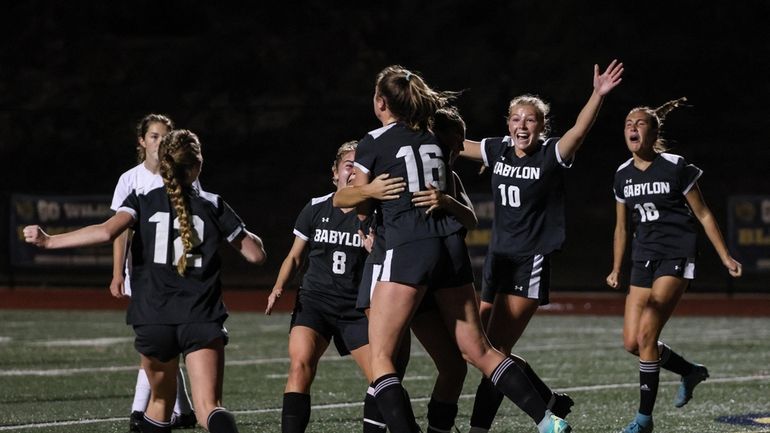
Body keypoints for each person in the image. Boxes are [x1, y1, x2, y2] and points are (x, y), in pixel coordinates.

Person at [352, 65, 571, 433]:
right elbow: (457, 174)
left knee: (383, 359)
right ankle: (547, 419)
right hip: (448, 251)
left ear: (380, 102)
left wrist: (369, 194)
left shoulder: (374, 140)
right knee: (477, 350)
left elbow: (355, 204)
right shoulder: (435, 137)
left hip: (403, 252)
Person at [24, 129, 266, 433]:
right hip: (201, 316)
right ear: (197, 166)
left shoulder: (141, 199)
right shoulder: (213, 204)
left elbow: (104, 232)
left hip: (153, 316)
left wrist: (48, 242)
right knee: (209, 408)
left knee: (160, 403)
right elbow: (256, 255)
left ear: (163, 162)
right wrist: (241, 229)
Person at [459, 60, 624, 432]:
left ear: (542, 125)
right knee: (477, 348)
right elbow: (454, 143)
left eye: (530, 120)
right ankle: (550, 402)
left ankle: (493, 426)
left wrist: (597, 95)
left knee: (493, 349)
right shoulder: (498, 148)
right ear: (508, 123)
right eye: (516, 118)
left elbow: (579, 132)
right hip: (497, 262)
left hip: (527, 262)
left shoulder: (551, 153)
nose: (522, 125)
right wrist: (417, 120)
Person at [605, 98, 742, 433]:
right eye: (628, 124)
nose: (633, 128)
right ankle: (689, 371)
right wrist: (616, 267)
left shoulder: (675, 166)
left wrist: (724, 255)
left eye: (640, 123)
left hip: (676, 254)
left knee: (648, 334)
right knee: (632, 343)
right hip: (643, 257)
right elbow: (622, 227)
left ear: (654, 131)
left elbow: (704, 213)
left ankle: (644, 419)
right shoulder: (622, 175)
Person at [335, 106, 475, 433]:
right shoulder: (389, 156)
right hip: (389, 269)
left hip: (423, 273)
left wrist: (448, 203)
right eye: (450, 144)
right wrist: (367, 192)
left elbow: (469, 219)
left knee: (453, 367)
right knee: (389, 362)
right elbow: (352, 205)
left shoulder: (447, 180)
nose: (449, 152)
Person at [265, 141, 382, 433]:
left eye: (361, 167)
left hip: (354, 306)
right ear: (335, 173)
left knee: (382, 377)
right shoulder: (316, 207)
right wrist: (278, 286)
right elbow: (294, 255)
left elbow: (386, 260)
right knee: (300, 365)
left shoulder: (375, 215)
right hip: (315, 302)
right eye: (348, 166)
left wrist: (375, 249)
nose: (354, 172)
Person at [110, 114, 196, 431]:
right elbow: (119, 232)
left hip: (174, 275)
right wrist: (118, 272)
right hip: (144, 274)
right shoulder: (130, 180)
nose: (160, 142)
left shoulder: (182, 176)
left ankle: (139, 412)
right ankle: (183, 411)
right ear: (142, 141)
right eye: (154, 136)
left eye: (165, 136)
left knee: (159, 346)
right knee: (158, 346)